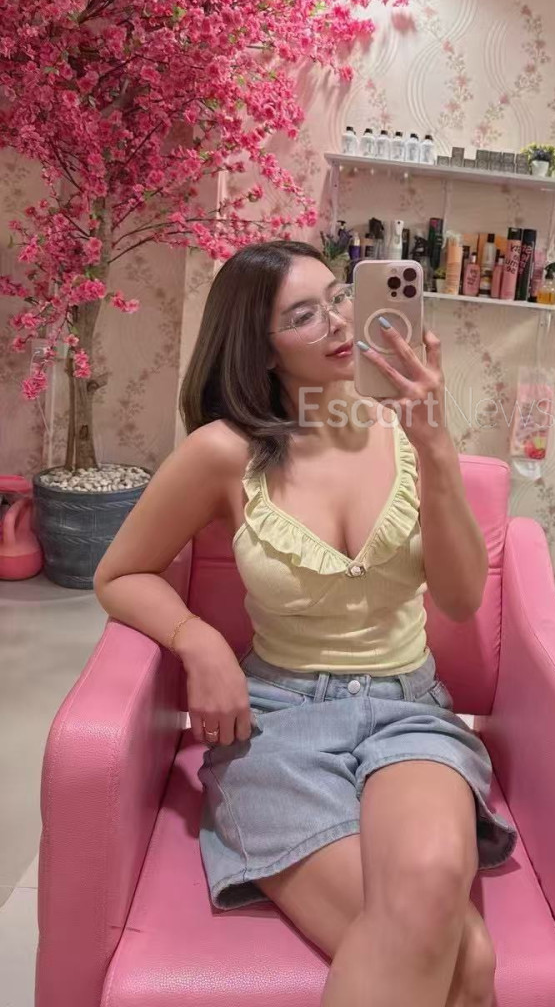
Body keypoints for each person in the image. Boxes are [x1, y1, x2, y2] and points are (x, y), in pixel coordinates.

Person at [94, 240, 516, 1007]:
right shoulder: (223, 453)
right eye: (304, 315)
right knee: (469, 961)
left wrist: (435, 446)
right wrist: (199, 640)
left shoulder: (407, 433)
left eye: (338, 297)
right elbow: (119, 573)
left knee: (432, 887)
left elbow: (459, 600)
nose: (340, 321)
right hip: (277, 722)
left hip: (408, 711)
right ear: (261, 349)